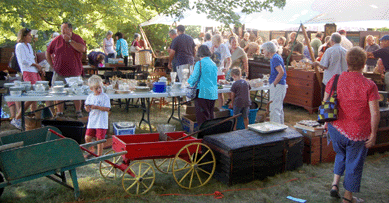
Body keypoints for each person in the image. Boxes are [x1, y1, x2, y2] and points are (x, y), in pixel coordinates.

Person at [325, 47, 380, 203]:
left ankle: (335, 184)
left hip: (335, 128)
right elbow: (375, 113)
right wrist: (374, 133)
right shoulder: (369, 85)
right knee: (354, 163)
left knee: (341, 154)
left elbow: (326, 102)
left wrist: (326, 123)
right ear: (364, 64)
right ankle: (348, 198)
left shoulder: (335, 79)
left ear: (347, 62)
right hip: (357, 132)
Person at [46, 22, 86, 118]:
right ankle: (59, 112)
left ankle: (78, 111)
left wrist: (70, 41)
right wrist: (52, 65)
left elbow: (82, 49)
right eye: (61, 29)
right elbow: (48, 52)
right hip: (59, 72)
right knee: (57, 92)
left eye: (65, 29)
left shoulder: (77, 38)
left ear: (70, 29)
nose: (63, 31)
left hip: (74, 72)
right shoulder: (57, 40)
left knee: (77, 92)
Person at [11, 28, 45, 129]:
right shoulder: (20, 46)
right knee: (32, 96)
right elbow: (24, 61)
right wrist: (35, 64)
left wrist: (38, 66)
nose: (31, 37)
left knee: (37, 95)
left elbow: (31, 58)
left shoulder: (29, 45)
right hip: (27, 71)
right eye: (29, 35)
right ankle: (17, 118)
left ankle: (33, 118)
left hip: (34, 71)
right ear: (24, 36)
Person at [187, 45, 218, 126]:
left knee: (202, 118)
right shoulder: (214, 64)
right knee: (210, 117)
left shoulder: (199, 63)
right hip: (213, 93)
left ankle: (203, 135)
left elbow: (194, 78)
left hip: (202, 93)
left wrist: (188, 81)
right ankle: (210, 134)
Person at [313, 32, 348, 99]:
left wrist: (317, 63)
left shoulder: (329, 51)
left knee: (327, 100)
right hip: (342, 79)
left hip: (329, 79)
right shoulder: (346, 51)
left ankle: (326, 109)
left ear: (332, 41)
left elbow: (324, 66)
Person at [84, 75, 111, 157]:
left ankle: (99, 155)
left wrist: (97, 107)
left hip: (101, 121)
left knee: (99, 139)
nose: (99, 90)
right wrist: (87, 108)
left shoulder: (105, 97)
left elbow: (107, 108)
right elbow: (86, 107)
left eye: (100, 87)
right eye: (96, 88)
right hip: (92, 121)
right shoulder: (90, 97)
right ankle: (91, 151)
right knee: (87, 137)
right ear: (91, 89)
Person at [262, 41, 287, 124]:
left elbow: (281, 72)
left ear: (268, 50)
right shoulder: (276, 57)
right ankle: (281, 126)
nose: (263, 52)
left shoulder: (275, 58)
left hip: (278, 85)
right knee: (279, 108)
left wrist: (274, 83)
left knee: (274, 108)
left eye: (264, 50)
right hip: (280, 85)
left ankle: (275, 128)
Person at [211, 34, 231, 107]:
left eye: (217, 44)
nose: (216, 46)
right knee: (212, 91)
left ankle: (221, 108)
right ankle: (211, 109)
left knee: (220, 91)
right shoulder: (210, 46)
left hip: (220, 73)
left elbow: (229, 59)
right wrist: (211, 52)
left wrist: (227, 67)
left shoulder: (223, 46)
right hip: (211, 73)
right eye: (215, 44)